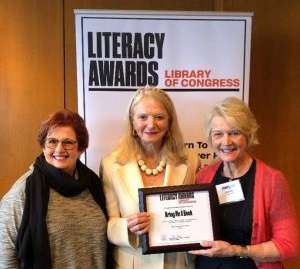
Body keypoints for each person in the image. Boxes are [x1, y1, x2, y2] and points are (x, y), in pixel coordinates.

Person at [189, 97, 299, 269]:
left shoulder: (272, 180)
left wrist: (236, 250)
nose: (226, 142)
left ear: (248, 135)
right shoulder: (202, 177)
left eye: (234, 133)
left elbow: (288, 245)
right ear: (211, 138)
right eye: (218, 134)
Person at [100, 87, 200, 269]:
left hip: (178, 264)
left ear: (169, 122)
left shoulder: (191, 162)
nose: (151, 124)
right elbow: (106, 224)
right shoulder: (111, 165)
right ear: (132, 121)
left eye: (159, 117)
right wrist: (126, 227)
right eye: (143, 117)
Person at [0, 109, 111, 269]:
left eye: (68, 142)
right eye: (52, 141)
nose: (59, 149)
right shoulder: (24, 190)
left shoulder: (93, 184)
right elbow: (5, 257)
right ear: (43, 146)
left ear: (80, 148)